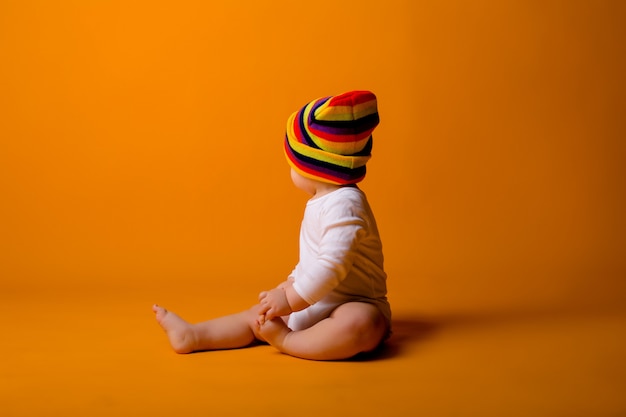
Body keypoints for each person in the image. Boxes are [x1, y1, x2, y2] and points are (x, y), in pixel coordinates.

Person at [152, 90, 391, 360]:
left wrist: (291, 299)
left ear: (313, 167)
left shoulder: (345, 204)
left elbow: (332, 265)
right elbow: (314, 258)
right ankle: (194, 336)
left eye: (292, 164)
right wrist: (290, 283)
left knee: (362, 323)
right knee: (258, 315)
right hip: (310, 299)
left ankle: (288, 341)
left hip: (352, 303)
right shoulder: (323, 201)